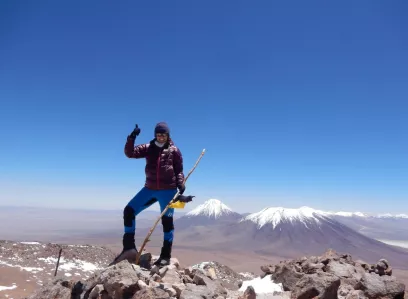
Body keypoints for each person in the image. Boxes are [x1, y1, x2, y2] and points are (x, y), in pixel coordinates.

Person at [110, 121, 189, 267]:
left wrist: (180, 183)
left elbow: (179, 170)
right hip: (150, 188)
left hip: (168, 190)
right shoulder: (148, 148)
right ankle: (129, 248)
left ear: (167, 135)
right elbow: (130, 153)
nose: (161, 137)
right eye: (158, 135)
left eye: (163, 135)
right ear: (155, 135)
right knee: (129, 211)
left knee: (167, 223)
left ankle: (165, 256)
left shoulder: (174, 151)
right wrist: (132, 137)